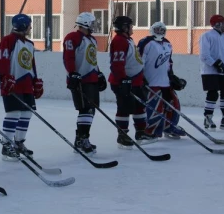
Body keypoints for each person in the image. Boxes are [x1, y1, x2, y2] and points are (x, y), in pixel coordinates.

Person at [0, 14, 43, 161]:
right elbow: (1, 60)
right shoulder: (8, 40)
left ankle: (19, 143)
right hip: (12, 84)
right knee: (13, 114)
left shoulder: (29, 44)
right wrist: (4, 77)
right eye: (29, 25)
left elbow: (31, 64)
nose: (30, 27)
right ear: (22, 26)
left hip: (26, 84)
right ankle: (6, 145)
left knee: (27, 114)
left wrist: (35, 80)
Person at [108, 16, 156, 149]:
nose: (132, 28)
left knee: (139, 106)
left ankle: (141, 132)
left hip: (134, 80)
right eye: (130, 26)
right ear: (124, 27)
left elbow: (134, 61)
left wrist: (141, 77)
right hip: (123, 82)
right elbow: (117, 64)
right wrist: (123, 79)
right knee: (124, 108)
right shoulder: (119, 41)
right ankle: (122, 135)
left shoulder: (127, 40)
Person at [62, 12, 106, 156]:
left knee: (91, 110)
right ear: (85, 23)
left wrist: (98, 73)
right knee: (85, 109)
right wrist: (72, 73)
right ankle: (82, 139)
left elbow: (92, 59)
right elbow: (68, 57)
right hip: (80, 79)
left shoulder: (92, 40)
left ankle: (81, 138)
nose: (94, 26)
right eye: (92, 23)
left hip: (91, 79)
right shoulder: (72, 37)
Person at [139, 22, 187, 139]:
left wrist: (172, 77)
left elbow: (168, 62)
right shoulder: (146, 42)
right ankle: (152, 130)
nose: (160, 32)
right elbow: (139, 61)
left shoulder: (167, 43)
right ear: (152, 30)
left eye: (162, 30)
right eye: (157, 29)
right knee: (156, 108)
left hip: (165, 82)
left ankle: (169, 126)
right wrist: (141, 77)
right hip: (152, 82)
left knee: (174, 104)